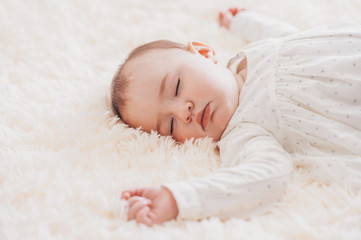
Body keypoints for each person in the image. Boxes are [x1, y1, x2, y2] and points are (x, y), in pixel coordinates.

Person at [111, 8, 361, 226]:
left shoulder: (251, 53)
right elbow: (266, 178)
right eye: (170, 125)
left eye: (176, 87)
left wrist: (243, 21)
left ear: (204, 53)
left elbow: (289, 36)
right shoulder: (243, 134)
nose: (182, 112)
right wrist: (178, 199)